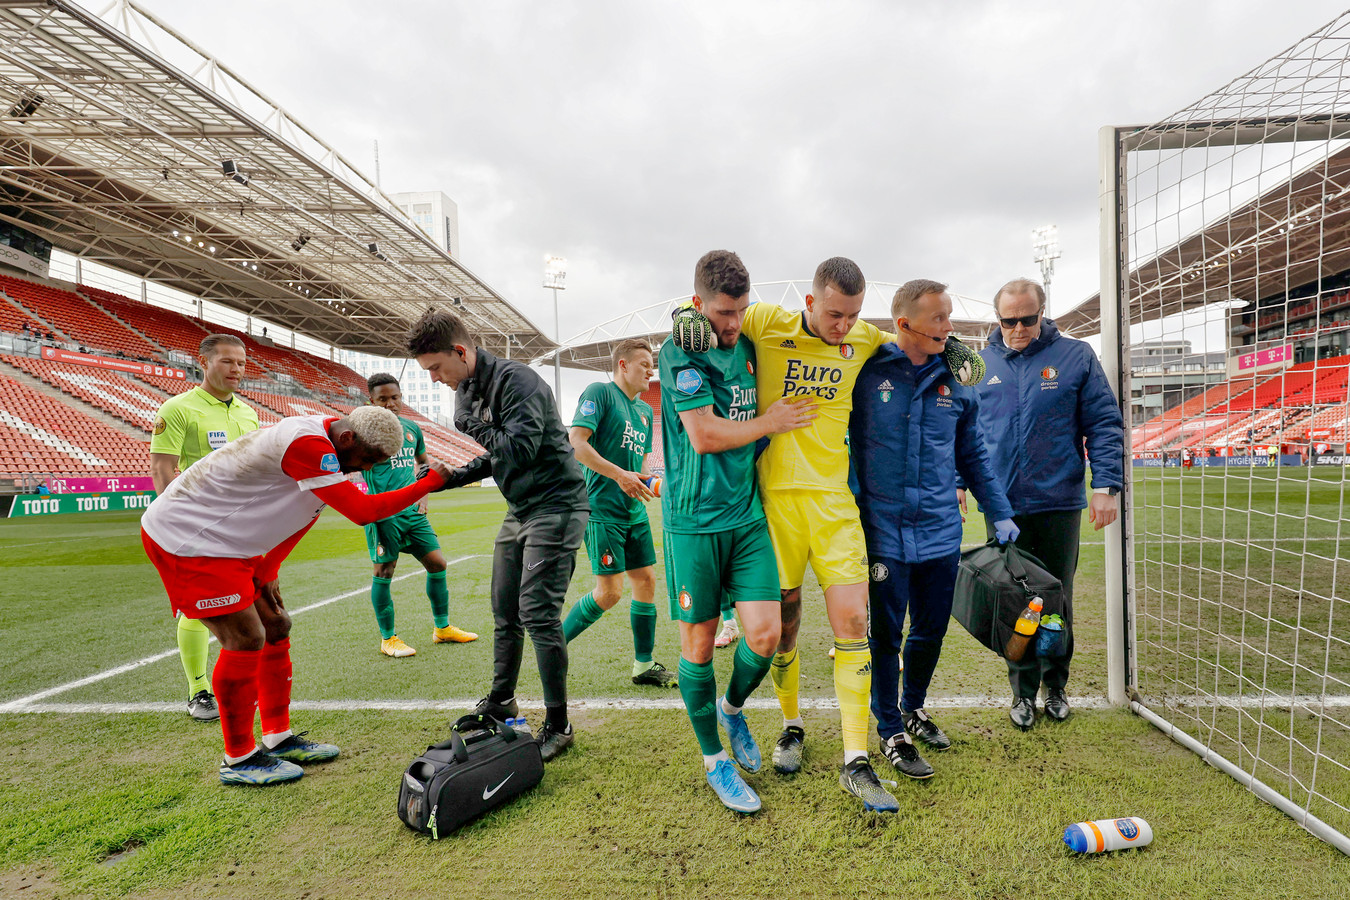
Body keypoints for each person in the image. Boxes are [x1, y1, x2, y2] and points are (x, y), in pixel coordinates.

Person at [141, 407, 451, 784]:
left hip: (232, 544)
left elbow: (301, 516)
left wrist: (267, 570)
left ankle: (278, 737)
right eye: (368, 460)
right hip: (190, 540)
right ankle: (238, 759)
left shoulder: (329, 450)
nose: (367, 469)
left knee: (275, 626)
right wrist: (428, 483)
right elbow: (362, 512)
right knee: (245, 639)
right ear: (349, 438)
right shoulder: (308, 445)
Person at [735, 256, 897, 809]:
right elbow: (718, 307)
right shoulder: (765, 324)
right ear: (809, 302)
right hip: (775, 504)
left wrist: (950, 346)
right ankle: (792, 725)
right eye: (833, 315)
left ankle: (857, 758)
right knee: (785, 623)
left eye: (852, 316)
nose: (843, 327)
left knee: (853, 619)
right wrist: (688, 312)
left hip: (833, 504)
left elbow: (909, 333)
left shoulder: (864, 336)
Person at [660, 249, 816, 812]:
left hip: (747, 516)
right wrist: (768, 423)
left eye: (741, 311)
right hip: (694, 521)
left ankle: (731, 709)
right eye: (723, 312)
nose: (733, 323)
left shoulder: (749, 343)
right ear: (699, 305)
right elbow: (701, 435)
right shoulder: (679, 349)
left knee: (766, 635)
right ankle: (714, 760)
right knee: (699, 644)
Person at [851, 280, 1017, 780]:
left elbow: (973, 454)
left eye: (949, 317)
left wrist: (999, 509)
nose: (950, 328)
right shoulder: (866, 370)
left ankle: (913, 708)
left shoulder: (958, 376)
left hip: (941, 529)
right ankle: (888, 729)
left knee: (930, 629)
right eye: (940, 320)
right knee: (886, 633)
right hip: (883, 529)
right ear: (905, 325)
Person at [408, 309, 589, 762]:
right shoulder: (469, 387)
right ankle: (502, 700)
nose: (434, 380)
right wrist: (447, 477)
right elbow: (496, 457)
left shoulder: (517, 381)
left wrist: (467, 423)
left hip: (557, 505)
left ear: (461, 351)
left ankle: (559, 723)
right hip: (520, 509)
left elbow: (519, 449)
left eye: (435, 368)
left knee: (537, 612)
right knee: (504, 609)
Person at [962, 278, 1124, 729]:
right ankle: (1022, 692)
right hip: (1002, 507)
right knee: (1015, 602)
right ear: (998, 320)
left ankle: (1056, 686)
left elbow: (1105, 423)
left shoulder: (1076, 357)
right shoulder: (979, 365)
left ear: (1042, 313)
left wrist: (1106, 484)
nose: (1017, 328)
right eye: (1008, 320)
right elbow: (966, 431)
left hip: (1058, 502)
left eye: (1027, 319)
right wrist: (959, 481)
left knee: (1054, 601)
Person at [149, 334, 260, 722]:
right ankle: (199, 690)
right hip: (196, 522)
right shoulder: (178, 408)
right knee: (196, 608)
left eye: (242, 363)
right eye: (227, 362)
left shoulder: (248, 413)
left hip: (241, 523)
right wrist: (175, 522)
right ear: (203, 362)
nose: (236, 370)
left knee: (247, 600)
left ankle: (241, 681)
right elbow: (163, 468)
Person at [562, 338, 676, 688]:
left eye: (651, 364)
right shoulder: (599, 392)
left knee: (646, 581)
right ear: (623, 365)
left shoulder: (644, 412)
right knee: (609, 593)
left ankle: (643, 666)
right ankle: (552, 646)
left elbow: (639, 465)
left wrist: (650, 482)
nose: (650, 370)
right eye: (644, 363)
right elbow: (576, 443)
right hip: (602, 509)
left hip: (633, 510)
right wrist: (620, 476)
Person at [361, 372, 477, 658]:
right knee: (384, 571)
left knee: (437, 564)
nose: (390, 404)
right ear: (371, 401)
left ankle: (442, 628)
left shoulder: (412, 428)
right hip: (385, 514)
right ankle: (388, 638)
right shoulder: (364, 433)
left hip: (413, 513)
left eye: (395, 397)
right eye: (383, 399)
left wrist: (423, 494)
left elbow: (424, 465)